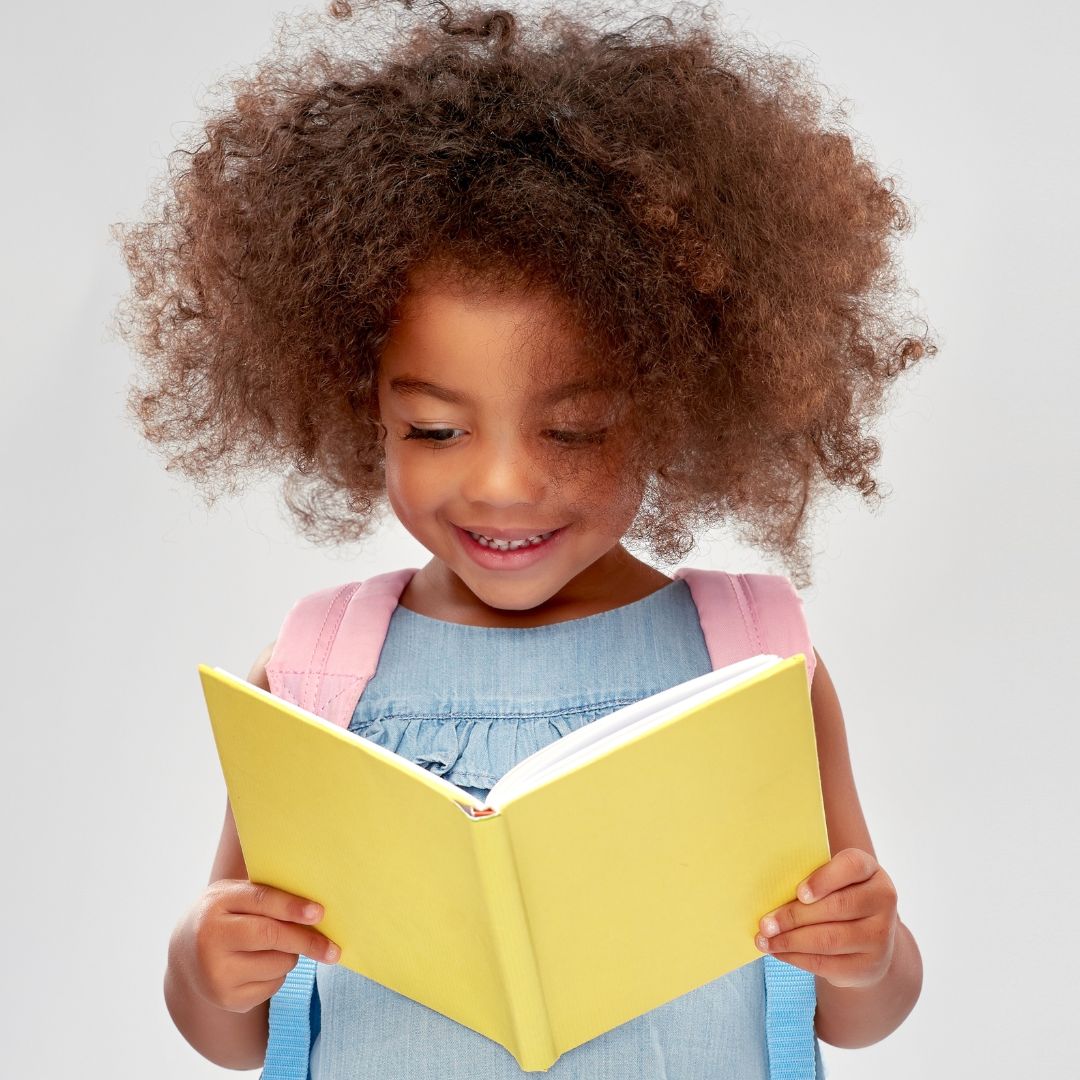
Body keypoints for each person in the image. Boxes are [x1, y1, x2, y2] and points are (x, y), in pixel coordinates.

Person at [112, 1, 931, 1075]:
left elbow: (856, 1010)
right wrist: (203, 963)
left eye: (575, 428)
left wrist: (865, 956)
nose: (502, 484)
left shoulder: (758, 658)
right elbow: (239, 1032)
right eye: (437, 429)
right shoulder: (314, 674)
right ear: (358, 403)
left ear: (678, 404)